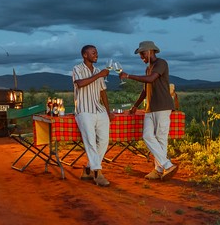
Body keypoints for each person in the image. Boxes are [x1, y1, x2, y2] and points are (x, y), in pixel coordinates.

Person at [120, 40, 178, 181]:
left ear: (151, 51)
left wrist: (129, 76)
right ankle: (166, 165)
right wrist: (135, 105)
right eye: (140, 54)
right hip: (150, 108)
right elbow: (145, 90)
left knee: (161, 139)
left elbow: (151, 79)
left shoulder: (161, 63)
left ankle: (159, 170)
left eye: (143, 53)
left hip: (163, 106)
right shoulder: (148, 68)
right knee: (147, 136)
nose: (141, 57)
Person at [72, 45, 112, 187]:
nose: (97, 55)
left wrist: (108, 111)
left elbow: (103, 92)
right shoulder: (77, 69)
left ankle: (89, 168)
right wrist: (99, 75)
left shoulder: (97, 70)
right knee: (90, 141)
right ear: (85, 55)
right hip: (84, 110)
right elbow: (81, 83)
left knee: (104, 141)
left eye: (97, 52)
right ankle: (97, 173)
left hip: (98, 110)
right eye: (93, 53)